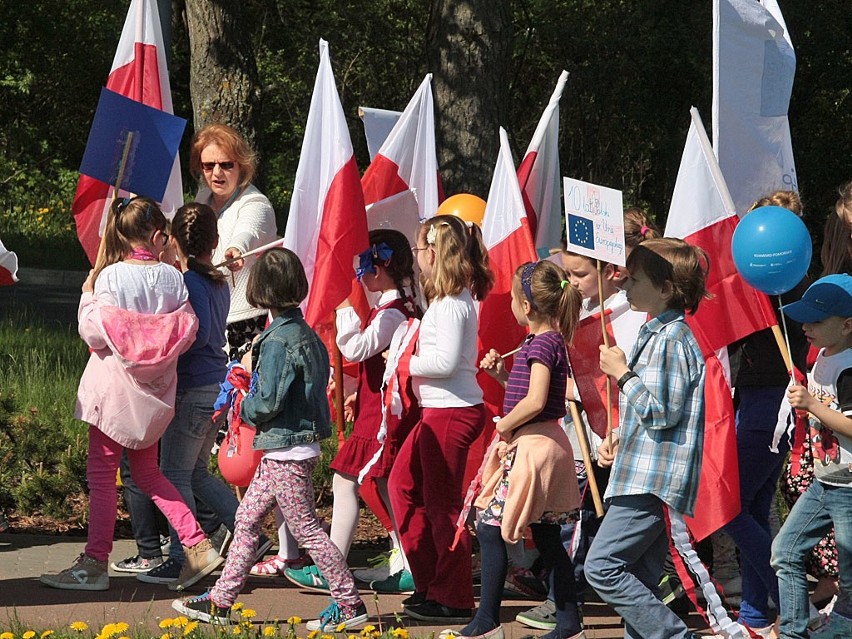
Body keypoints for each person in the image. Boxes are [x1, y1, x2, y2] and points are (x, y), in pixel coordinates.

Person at [173, 248, 368, 630]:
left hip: (286, 451)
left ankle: (349, 604)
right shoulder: (304, 333)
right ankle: (220, 601)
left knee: (307, 529)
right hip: (287, 447)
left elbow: (269, 402)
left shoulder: (278, 342)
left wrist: (242, 403)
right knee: (245, 520)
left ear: (260, 291)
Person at [39, 197, 222, 592]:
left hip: (113, 395)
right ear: (158, 236)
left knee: (102, 477)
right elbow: (185, 333)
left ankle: (94, 563)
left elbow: (91, 332)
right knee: (149, 473)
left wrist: (88, 293)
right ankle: (197, 544)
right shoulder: (175, 278)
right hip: (153, 398)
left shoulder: (110, 278)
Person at [446, 260, 585, 639]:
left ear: (527, 307)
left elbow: (537, 400)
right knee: (546, 536)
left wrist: (504, 424)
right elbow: (536, 394)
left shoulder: (542, 344)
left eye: (511, 298)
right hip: (545, 444)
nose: (508, 303)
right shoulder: (544, 342)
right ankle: (569, 624)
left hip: (534, 447)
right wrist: (503, 378)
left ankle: (487, 621)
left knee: (489, 527)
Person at [585, 237, 710, 639]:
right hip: (641, 473)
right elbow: (653, 412)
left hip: (652, 481)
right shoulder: (655, 334)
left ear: (666, 288)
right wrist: (620, 437)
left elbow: (662, 412)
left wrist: (622, 374)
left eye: (634, 279)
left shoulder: (673, 338)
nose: (623, 286)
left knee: (601, 566)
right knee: (637, 576)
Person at [285, 229, 419, 593]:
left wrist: (344, 308)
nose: (360, 274)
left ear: (383, 265)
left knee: (346, 481)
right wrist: (357, 391)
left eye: (364, 264)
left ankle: (332, 567)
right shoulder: (396, 307)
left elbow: (358, 347)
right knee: (388, 486)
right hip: (375, 408)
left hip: (383, 415)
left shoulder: (394, 312)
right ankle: (407, 560)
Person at [390, 214, 494, 623]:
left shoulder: (452, 305)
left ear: (433, 252)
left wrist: (405, 362)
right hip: (440, 410)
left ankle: (452, 596)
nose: (417, 258)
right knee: (403, 486)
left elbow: (447, 362)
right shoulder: (448, 302)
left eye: (419, 250)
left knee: (442, 505)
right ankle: (431, 582)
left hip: (450, 410)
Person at [135, 203, 243, 585]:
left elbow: (186, 335)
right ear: (215, 241)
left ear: (175, 241)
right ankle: (247, 533)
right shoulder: (216, 281)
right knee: (196, 472)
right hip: (216, 386)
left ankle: (186, 554)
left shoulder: (188, 283)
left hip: (193, 385)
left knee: (173, 473)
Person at [721, 191, 809, 636]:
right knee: (752, 506)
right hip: (751, 399)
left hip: (774, 400)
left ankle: (789, 596)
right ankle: (755, 614)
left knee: (730, 506)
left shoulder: (787, 285)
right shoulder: (750, 283)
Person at [771, 274, 852, 639]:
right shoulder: (821, 354)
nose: (805, 326)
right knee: (785, 552)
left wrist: (814, 405)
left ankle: (840, 630)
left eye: (816, 321)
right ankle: (793, 632)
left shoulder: (848, 368)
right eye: (803, 318)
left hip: (848, 487)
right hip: (824, 482)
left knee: (850, 577)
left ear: (847, 325)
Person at [190, 123, 277, 360]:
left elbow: (249, 231)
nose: (217, 173)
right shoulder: (201, 200)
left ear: (242, 165)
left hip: (244, 324)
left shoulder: (256, 203)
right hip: (205, 318)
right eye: (208, 166)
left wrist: (236, 250)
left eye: (226, 165)